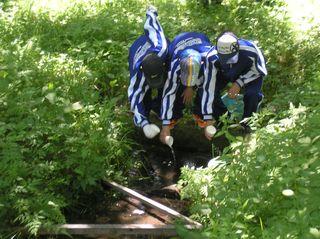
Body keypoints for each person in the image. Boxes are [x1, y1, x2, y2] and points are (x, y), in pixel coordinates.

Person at [203, 31, 267, 139]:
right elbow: (208, 88)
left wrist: (239, 83)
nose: (227, 61)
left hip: (248, 72)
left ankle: (247, 126)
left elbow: (260, 71)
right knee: (212, 94)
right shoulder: (211, 58)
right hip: (225, 73)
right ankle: (226, 123)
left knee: (252, 95)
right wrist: (208, 119)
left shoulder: (250, 51)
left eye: (230, 57)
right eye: (223, 58)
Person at [159, 32, 212, 144]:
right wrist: (165, 124)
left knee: (204, 88)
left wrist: (208, 118)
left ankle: (200, 115)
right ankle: (173, 116)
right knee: (177, 90)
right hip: (178, 42)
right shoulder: (174, 64)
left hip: (200, 40)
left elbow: (209, 90)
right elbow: (169, 93)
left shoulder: (209, 60)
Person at [128, 6, 169, 139]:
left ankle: (160, 109)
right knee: (143, 96)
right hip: (137, 48)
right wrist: (144, 124)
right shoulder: (137, 73)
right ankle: (145, 116)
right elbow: (134, 97)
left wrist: (151, 12)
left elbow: (152, 26)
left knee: (166, 84)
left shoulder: (161, 48)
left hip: (154, 53)